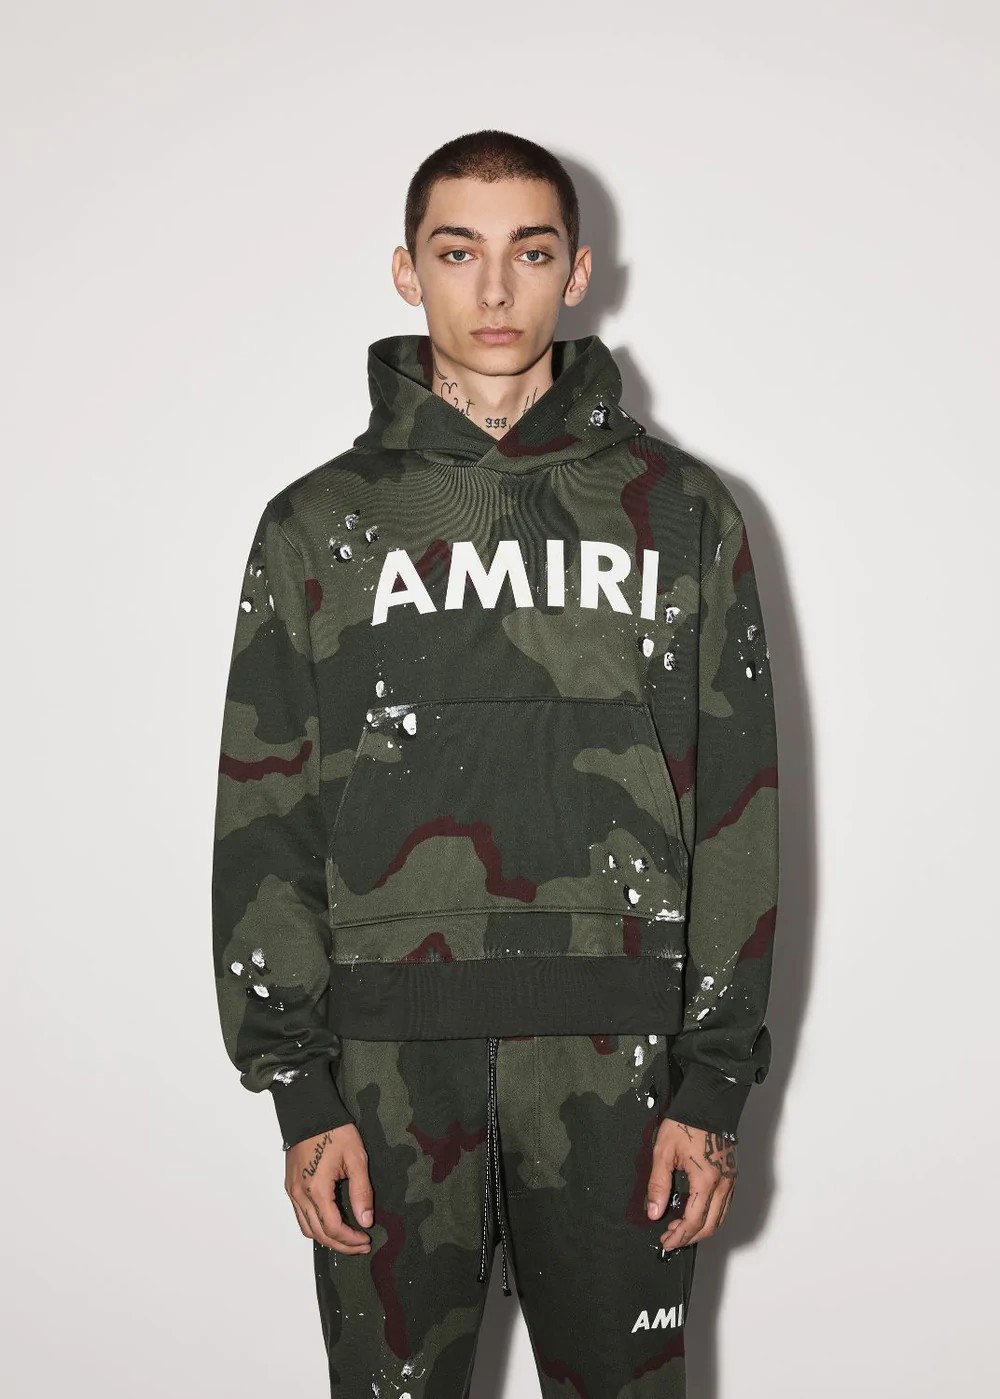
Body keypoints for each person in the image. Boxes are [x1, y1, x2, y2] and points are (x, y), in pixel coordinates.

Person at [211, 128, 779, 1398]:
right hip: (384, 1072)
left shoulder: (682, 511)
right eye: (457, 252)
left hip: (621, 1064)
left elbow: (739, 799)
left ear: (576, 270)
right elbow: (266, 803)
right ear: (406, 271)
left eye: (528, 252)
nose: (494, 289)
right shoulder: (318, 524)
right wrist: (298, 1086)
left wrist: (713, 1085)